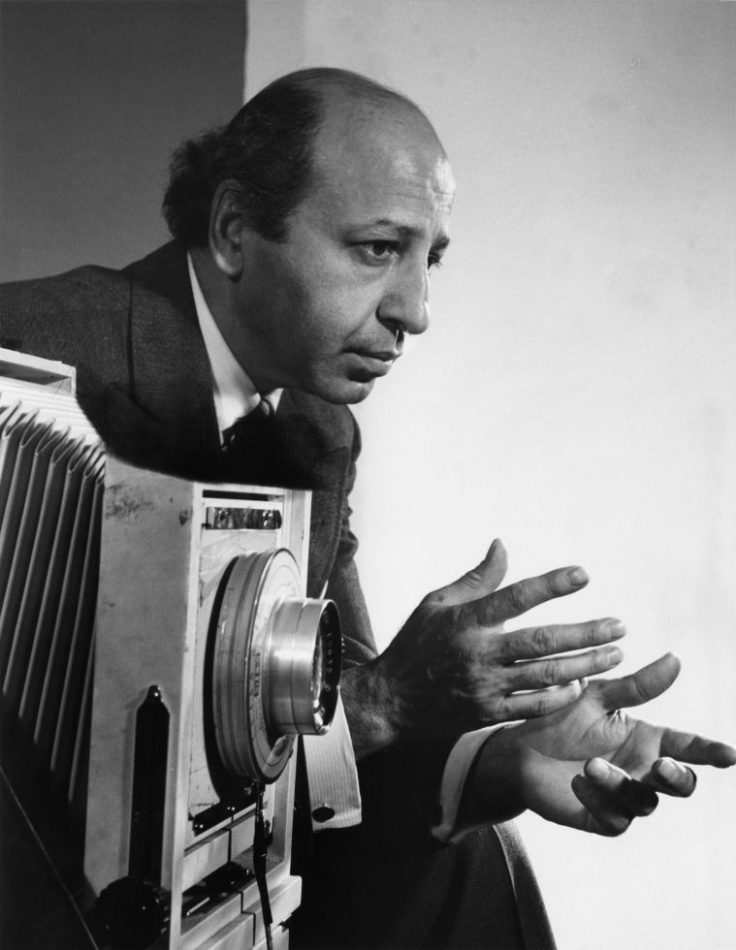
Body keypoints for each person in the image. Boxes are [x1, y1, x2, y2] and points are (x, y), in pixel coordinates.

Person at [1, 67, 734, 949]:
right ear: (235, 231)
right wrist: (385, 699)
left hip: (190, 889)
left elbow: (336, 726)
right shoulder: (28, 354)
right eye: (379, 249)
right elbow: (360, 708)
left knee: (469, 861)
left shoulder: (320, 430)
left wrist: (495, 762)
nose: (415, 311)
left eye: (431, 259)